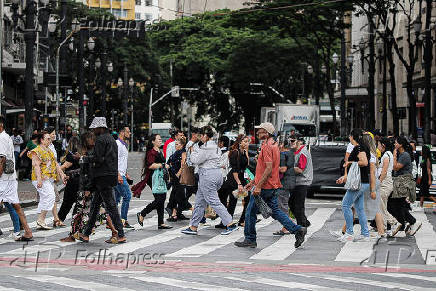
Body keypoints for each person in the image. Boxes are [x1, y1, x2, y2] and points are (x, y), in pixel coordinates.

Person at [235, 122, 307, 248]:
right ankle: (297, 229)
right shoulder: (273, 145)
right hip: (271, 185)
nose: (258, 133)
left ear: (267, 133)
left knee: (250, 212)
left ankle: (250, 239)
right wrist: (253, 182)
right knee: (276, 211)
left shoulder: (267, 146)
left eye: (261, 131)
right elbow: (266, 168)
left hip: (264, 186)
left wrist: (257, 186)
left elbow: (268, 168)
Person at [181, 126, 238, 235]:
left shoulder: (207, 147)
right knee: (199, 201)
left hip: (207, 175)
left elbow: (195, 160)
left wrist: (192, 151)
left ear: (206, 136)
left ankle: (230, 223)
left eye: (201, 136)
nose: (200, 138)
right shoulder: (215, 146)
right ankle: (193, 226)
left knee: (214, 201)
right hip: (214, 174)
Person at [78, 117, 126, 244]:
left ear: (100, 128)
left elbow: (98, 159)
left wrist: (85, 158)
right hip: (109, 175)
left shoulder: (100, 140)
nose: (93, 130)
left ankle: (120, 234)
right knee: (94, 205)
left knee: (111, 206)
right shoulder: (111, 139)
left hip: (102, 176)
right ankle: (86, 234)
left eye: (95, 128)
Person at [0, 116, 33, 241]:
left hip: (4, 178)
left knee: (13, 205)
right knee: (15, 205)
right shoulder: (7, 137)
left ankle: (22, 230)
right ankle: (27, 231)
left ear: (1, 125)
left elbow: (1, 159)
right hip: (10, 177)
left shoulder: (2, 138)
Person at [336, 129, 372, 242]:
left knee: (345, 205)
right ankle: (365, 234)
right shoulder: (364, 147)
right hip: (362, 182)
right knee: (359, 208)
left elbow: (364, 162)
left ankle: (350, 233)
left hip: (359, 183)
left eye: (349, 137)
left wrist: (350, 162)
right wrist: (344, 177)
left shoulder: (359, 148)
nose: (349, 139)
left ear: (352, 137)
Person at [28, 130, 67, 230]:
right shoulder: (36, 151)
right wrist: (39, 179)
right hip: (39, 178)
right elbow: (36, 166)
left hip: (48, 178)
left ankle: (40, 221)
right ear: (41, 140)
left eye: (50, 139)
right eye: (48, 139)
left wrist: (62, 175)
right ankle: (41, 220)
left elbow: (56, 164)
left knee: (46, 197)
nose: (50, 140)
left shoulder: (49, 150)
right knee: (50, 196)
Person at [136, 134, 173, 229]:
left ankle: (161, 223)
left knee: (162, 198)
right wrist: (163, 165)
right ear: (153, 141)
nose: (161, 140)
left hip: (161, 178)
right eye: (159, 139)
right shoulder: (151, 152)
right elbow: (150, 165)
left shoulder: (158, 150)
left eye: (161, 139)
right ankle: (142, 213)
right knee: (159, 199)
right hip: (154, 178)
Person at [388, 136, 421, 236]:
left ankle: (410, 222)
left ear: (401, 144)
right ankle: (407, 222)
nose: (394, 144)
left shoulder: (405, 155)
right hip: (399, 182)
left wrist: (393, 155)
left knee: (396, 204)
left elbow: (396, 167)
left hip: (402, 182)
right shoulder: (402, 154)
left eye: (396, 143)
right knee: (398, 204)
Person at [217, 135, 250, 229]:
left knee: (245, 199)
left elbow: (246, 165)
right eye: (245, 141)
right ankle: (227, 221)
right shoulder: (234, 153)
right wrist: (239, 183)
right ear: (240, 142)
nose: (247, 143)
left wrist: (246, 151)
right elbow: (234, 169)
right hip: (233, 179)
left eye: (248, 141)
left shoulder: (243, 152)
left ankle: (239, 220)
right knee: (230, 200)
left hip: (241, 178)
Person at [361, 133, 386, 239]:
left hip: (370, 181)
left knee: (356, 206)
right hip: (372, 181)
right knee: (370, 207)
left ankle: (346, 231)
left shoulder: (369, 155)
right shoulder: (373, 154)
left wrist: (372, 189)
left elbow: (371, 172)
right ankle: (380, 232)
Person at [377, 137, 402, 237]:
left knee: (381, 206)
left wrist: (378, 182)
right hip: (386, 182)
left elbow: (384, 171)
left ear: (383, 145)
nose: (377, 146)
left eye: (378, 144)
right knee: (382, 206)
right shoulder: (388, 154)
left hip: (385, 183)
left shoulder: (386, 155)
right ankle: (383, 228)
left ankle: (394, 222)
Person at [273, 138, 296, 235]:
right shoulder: (291, 153)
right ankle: (287, 225)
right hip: (290, 181)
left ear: (281, 145)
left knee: (281, 205)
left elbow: (282, 169)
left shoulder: (282, 154)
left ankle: (288, 225)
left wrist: (272, 168)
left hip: (283, 182)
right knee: (284, 204)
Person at [290, 135, 313, 227]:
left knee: (298, 205)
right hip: (298, 181)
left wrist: (288, 168)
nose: (290, 143)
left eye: (292, 141)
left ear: (299, 142)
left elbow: (300, 169)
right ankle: (304, 222)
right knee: (292, 203)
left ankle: (302, 225)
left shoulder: (302, 153)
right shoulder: (298, 152)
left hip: (302, 182)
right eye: (290, 141)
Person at [57, 136, 81, 223]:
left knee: (67, 202)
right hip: (80, 180)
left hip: (73, 181)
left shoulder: (72, 154)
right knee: (79, 201)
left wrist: (57, 170)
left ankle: (59, 219)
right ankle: (75, 219)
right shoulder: (80, 153)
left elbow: (66, 166)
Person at [114, 126, 134, 228]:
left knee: (116, 200)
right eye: (128, 132)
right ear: (122, 132)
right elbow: (114, 161)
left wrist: (126, 173)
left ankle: (114, 221)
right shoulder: (117, 144)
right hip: (118, 176)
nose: (130, 133)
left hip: (121, 174)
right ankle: (123, 220)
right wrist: (119, 175)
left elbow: (121, 162)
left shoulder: (123, 145)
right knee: (127, 196)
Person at [166, 137, 188, 222]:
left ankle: (193, 210)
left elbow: (183, 164)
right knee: (175, 195)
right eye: (175, 144)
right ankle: (174, 213)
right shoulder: (176, 152)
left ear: (182, 145)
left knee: (178, 196)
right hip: (174, 177)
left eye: (177, 144)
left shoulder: (183, 152)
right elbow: (169, 163)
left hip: (179, 177)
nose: (175, 146)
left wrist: (178, 174)